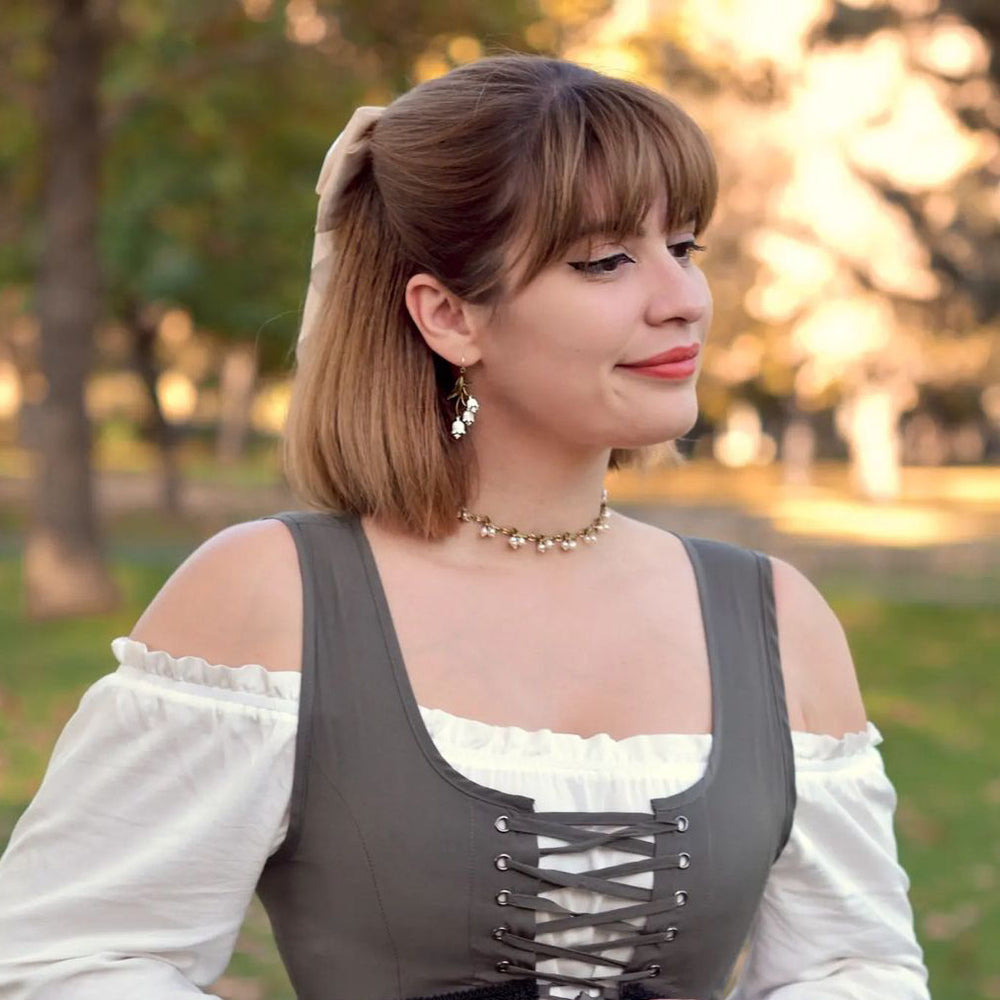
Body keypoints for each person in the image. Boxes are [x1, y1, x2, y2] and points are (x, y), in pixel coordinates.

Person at [0, 53, 930, 1000]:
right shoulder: (272, 599)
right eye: (606, 260)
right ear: (448, 316)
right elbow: (73, 960)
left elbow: (856, 969)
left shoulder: (774, 619)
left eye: (684, 247)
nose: (682, 298)